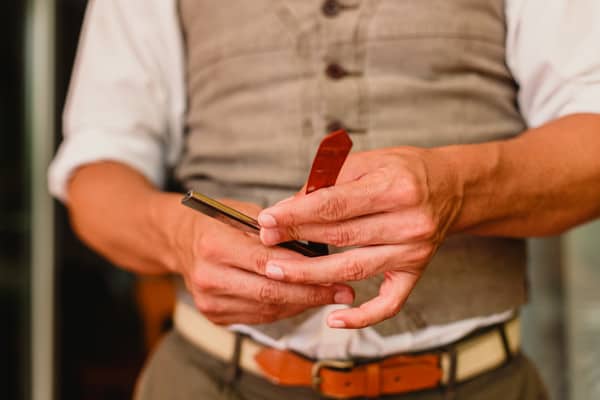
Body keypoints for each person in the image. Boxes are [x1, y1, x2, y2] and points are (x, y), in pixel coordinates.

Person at [49, 0, 600, 399]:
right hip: (209, 382)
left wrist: (457, 191)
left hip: (480, 385)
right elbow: (96, 174)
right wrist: (178, 237)